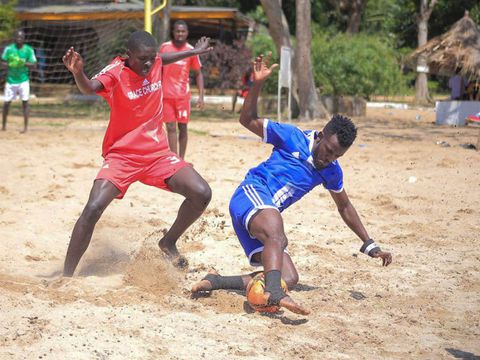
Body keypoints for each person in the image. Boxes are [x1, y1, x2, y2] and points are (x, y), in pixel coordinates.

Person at [192, 55, 393, 315]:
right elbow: (247, 120)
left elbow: (344, 207)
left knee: (289, 276)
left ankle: (218, 281)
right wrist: (257, 83)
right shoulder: (291, 137)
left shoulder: (331, 171)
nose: (328, 158)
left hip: (264, 220)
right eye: (328, 150)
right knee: (277, 231)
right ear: (320, 136)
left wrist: (370, 244)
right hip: (249, 196)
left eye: (336, 156)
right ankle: (274, 294)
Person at [61, 30, 213, 277]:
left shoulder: (155, 62)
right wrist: (78, 72)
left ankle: (167, 242)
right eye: (142, 58)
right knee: (93, 208)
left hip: (158, 155)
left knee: (202, 193)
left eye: (151, 58)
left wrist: (194, 52)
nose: (149, 63)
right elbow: (89, 88)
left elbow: (164, 58)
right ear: (127, 55)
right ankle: (66, 276)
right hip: (122, 156)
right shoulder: (115, 72)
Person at [160, 20, 204, 160]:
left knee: (183, 128)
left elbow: (198, 73)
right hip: (165, 96)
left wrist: (201, 96)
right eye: (177, 31)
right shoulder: (164, 48)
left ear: (187, 33)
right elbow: (157, 69)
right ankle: (174, 159)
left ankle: (182, 159)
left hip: (182, 97)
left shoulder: (191, 50)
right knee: (170, 127)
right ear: (173, 32)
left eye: (183, 31)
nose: (180, 34)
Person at [1, 29, 37, 133]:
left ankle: (25, 128)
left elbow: (34, 65)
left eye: (21, 37)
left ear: (24, 39)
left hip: (23, 80)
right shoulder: (9, 49)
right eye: (17, 37)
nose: (19, 39)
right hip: (10, 80)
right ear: (14, 38)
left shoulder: (29, 50)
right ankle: (3, 126)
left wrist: (22, 62)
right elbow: (2, 63)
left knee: (25, 103)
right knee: (6, 103)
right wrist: (10, 64)